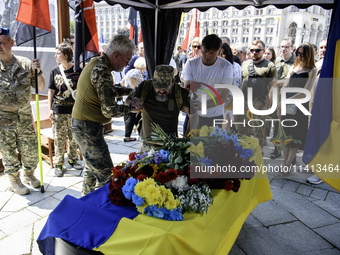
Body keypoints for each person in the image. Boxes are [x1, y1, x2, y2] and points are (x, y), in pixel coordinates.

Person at [71, 35, 142, 196]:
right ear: (116, 56)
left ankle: (86, 200)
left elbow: (107, 90)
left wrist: (130, 91)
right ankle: (105, 210)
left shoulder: (98, 62)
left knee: (91, 167)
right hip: (86, 128)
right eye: (127, 59)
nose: (127, 64)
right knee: (107, 177)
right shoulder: (102, 70)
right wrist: (132, 109)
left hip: (84, 126)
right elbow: (109, 110)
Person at [0, 27, 45, 195]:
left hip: (25, 117)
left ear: (11, 43)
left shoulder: (25, 64)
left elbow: (40, 86)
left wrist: (38, 72)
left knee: (31, 151)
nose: (0, 47)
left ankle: (28, 175)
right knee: (8, 152)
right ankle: (14, 181)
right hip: (3, 120)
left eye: (2, 43)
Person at [126, 65, 195, 151]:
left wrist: (186, 137)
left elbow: (194, 115)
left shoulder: (181, 93)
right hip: (146, 145)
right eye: (158, 87)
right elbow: (127, 101)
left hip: (170, 146)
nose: (161, 91)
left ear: (173, 82)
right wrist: (133, 102)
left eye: (166, 87)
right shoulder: (144, 87)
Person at [278, 43, 317, 175]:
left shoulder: (312, 70)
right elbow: (285, 86)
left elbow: (306, 91)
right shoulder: (293, 67)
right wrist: (280, 102)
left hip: (299, 107)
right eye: (297, 53)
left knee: (295, 137)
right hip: (286, 104)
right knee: (284, 135)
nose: (299, 56)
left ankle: (287, 165)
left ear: (309, 55)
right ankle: (285, 162)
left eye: (302, 54)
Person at [183, 34, 233, 128]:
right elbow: (186, 88)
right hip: (194, 113)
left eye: (212, 53)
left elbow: (223, 96)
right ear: (201, 48)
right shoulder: (191, 63)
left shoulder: (226, 66)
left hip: (215, 115)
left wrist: (203, 105)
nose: (207, 56)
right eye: (205, 51)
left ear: (219, 51)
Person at [48, 43, 83, 177]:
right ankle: (59, 163)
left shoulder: (79, 71)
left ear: (66, 55)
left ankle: (73, 159)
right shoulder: (55, 71)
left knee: (74, 137)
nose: (55, 56)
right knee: (59, 138)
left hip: (74, 110)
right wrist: (50, 109)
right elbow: (51, 90)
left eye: (57, 53)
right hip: (59, 110)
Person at [236, 39, 277, 149]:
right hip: (243, 103)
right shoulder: (244, 64)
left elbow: (273, 87)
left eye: (257, 50)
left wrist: (267, 106)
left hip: (259, 104)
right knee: (242, 130)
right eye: (252, 50)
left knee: (258, 131)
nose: (254, 52)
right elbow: (240, 82)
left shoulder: (270, 66)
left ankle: (258, 154)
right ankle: (243, 153)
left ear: (263, 51)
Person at [270, 37, 296, 159]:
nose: (284, 49)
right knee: (276, 125)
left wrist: (279, 82)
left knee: (288, 125)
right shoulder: (278, 61)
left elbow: (290, 80)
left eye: (286, 46)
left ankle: (292, 155)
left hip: (289, 97)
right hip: (277, 96)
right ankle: (277, 149)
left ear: (292, 48)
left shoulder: (295, 61)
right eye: (282, 46)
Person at [307, 38, 327, 185]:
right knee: (315, 137)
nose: (323, 49)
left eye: (326, 47)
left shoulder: (333, 65)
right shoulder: (318, 65)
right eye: (321, 47)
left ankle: (321, 172)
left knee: (324, 139)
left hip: (327, 109)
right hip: (313, 107)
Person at [121, 57, 146, 142]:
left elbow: (122, 82)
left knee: (129, 117)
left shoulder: (130, 71)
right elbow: (132, 78)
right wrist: (136, 89)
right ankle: (141, 135)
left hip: (127, 97)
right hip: (133, 98)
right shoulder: (137, 72)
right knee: (137, 117)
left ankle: (127, 136)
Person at [218, 43, 242, 130]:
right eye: (218, 53)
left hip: (229, 101)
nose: (220, 56)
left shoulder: (236, 67)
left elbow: (237, 84)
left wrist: (229, 97)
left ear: (228, 53)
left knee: (224, 129)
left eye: (223, 53)